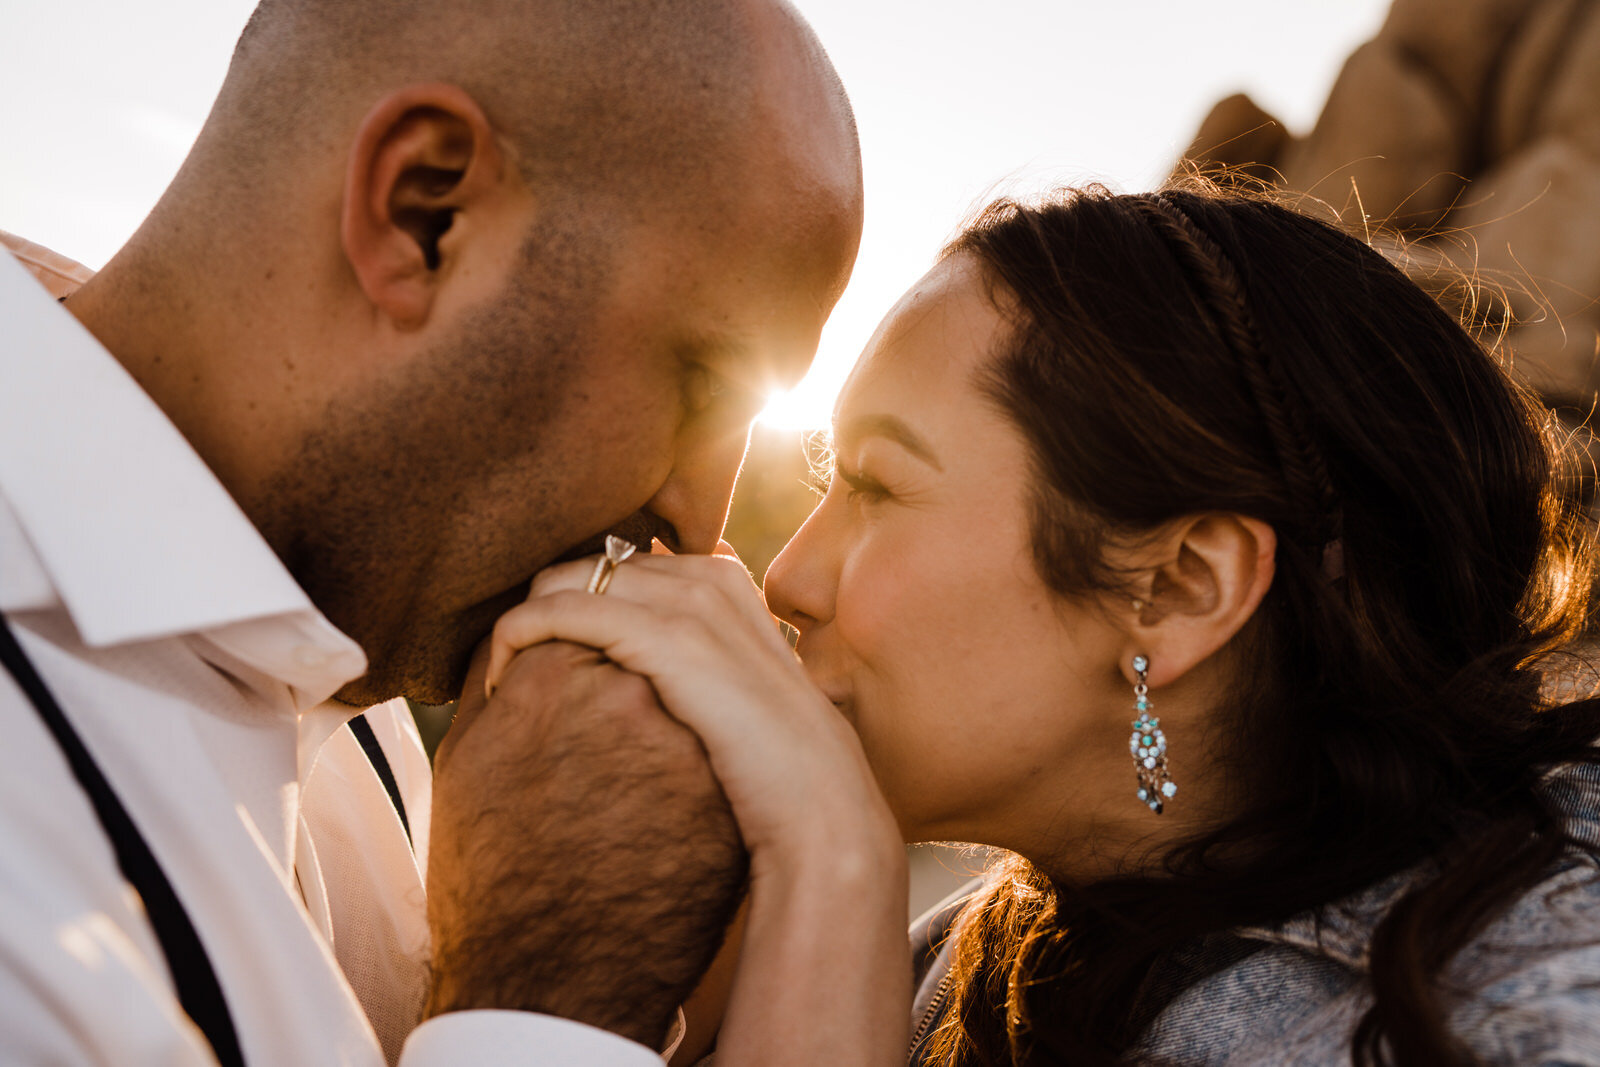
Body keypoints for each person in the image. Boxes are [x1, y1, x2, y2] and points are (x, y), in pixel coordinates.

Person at [486, 184, 1600, 1065]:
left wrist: (833, 867)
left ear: (1177, 589)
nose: (785, 576)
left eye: (875, 486)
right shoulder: (980, 965)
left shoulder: (1527, 1022)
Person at [0, 0, 862, 1064]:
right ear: (421, 212)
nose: (703, 519)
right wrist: (552, 994)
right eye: (699, 380)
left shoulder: (349, 655)